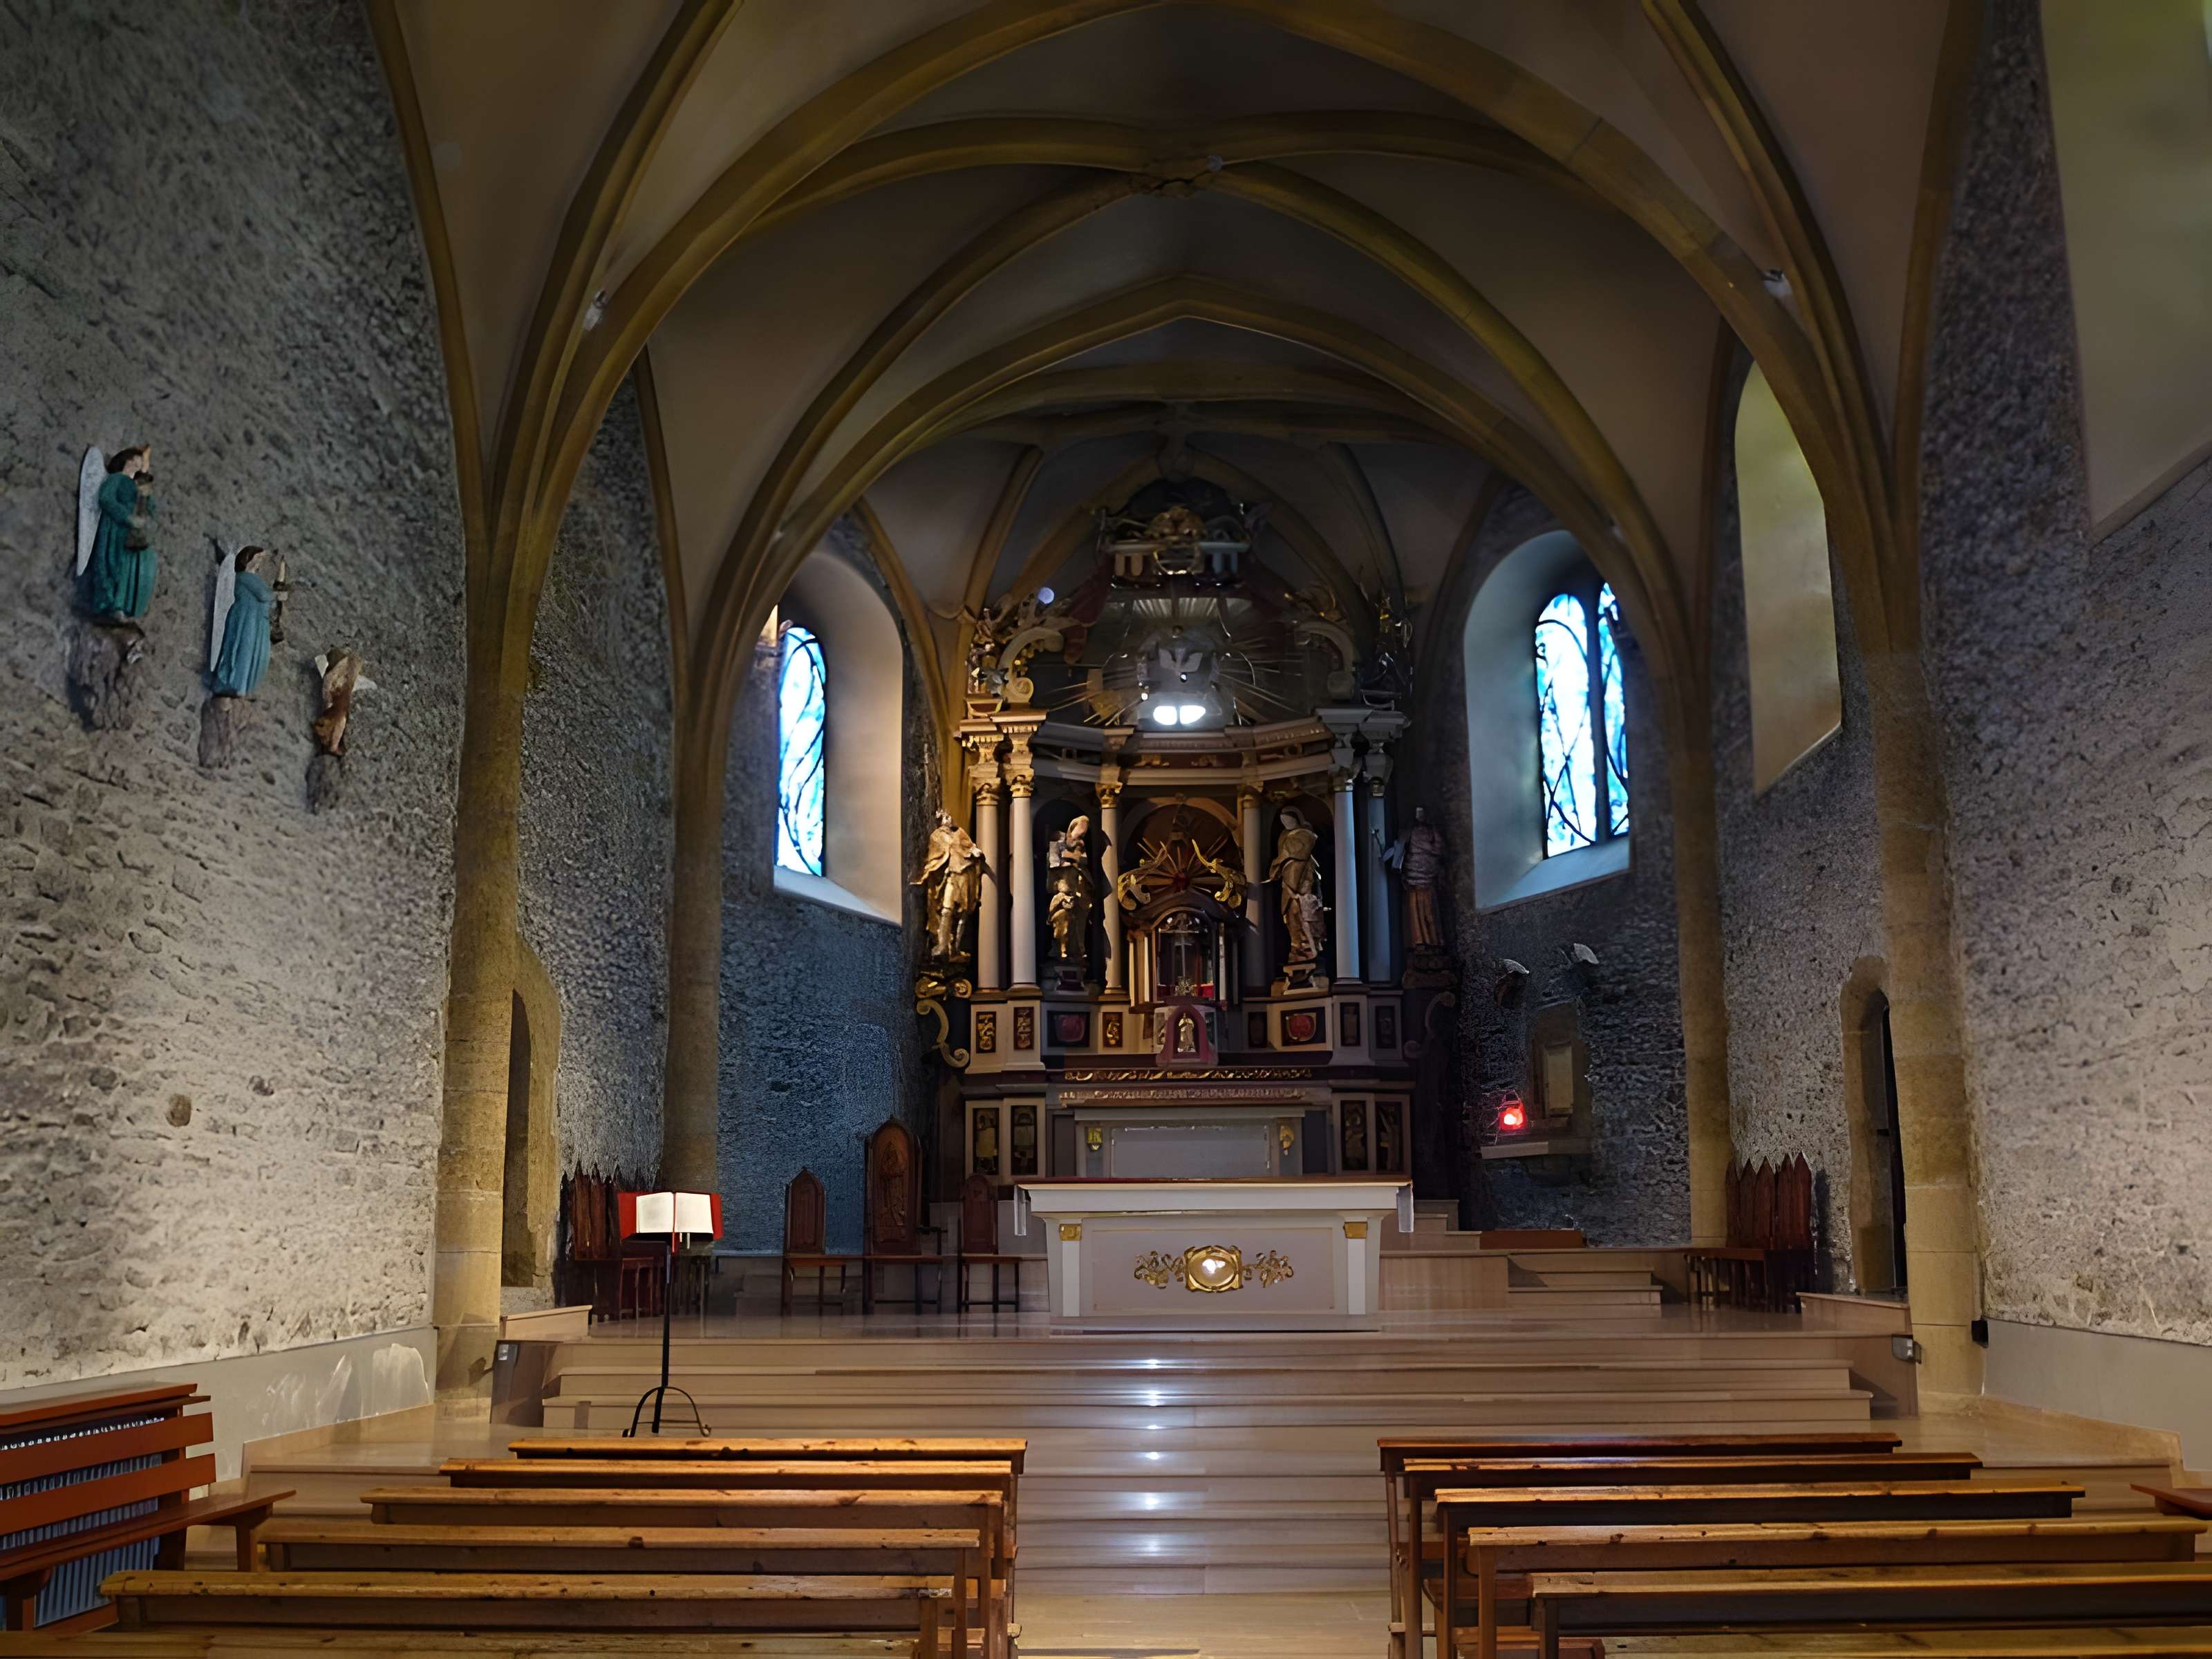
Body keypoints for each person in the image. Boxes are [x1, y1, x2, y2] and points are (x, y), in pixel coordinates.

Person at [84, 447, 157, 621]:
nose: (141, 465)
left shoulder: (138, 487)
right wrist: (126, 516)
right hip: (115, 528)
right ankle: (110, 603)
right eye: (137, 461)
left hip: (130, 533)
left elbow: (149, 509)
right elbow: (106, 498)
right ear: (128, 461)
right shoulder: (117, 479)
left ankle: (121, 605)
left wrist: (145, 490)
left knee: (126, 569)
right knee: (112, 563)